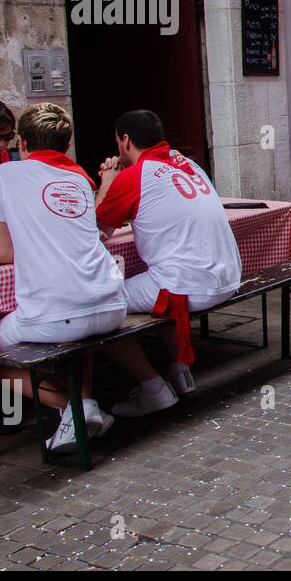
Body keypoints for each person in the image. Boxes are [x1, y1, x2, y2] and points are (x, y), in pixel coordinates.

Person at [0, 103, 126, 453]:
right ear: (66, 143)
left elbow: (4, 255)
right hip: (111, 304)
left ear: (22, 141)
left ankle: (74, 409)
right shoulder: (77, 177)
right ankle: (82, 408)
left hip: (59, 314)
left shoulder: (5, 175)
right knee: (79, 342)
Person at [94, 110, 243, 415]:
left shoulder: (133, 176)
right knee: (160, 279)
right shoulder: (188, 163)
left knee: (96, 308)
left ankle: (154, 389)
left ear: (125, 140)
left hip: (191, 285)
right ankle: (180, 370)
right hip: (227, 276)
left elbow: (94, 233)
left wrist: (108, 183)